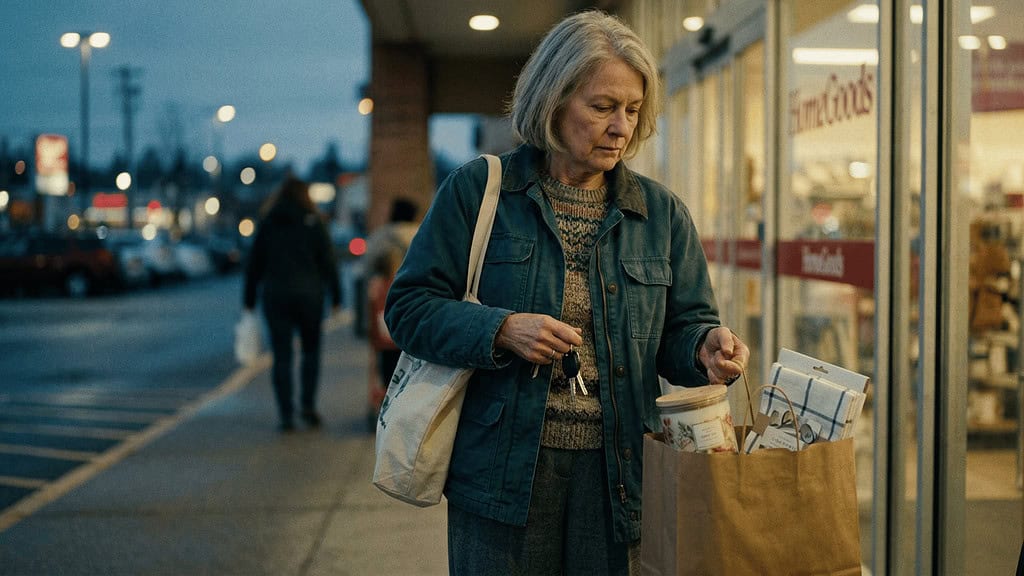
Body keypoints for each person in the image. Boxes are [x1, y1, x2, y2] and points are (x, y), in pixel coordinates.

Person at [384, 10, 749, 575]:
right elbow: (408, 309)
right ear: (553, 101)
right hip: (504, 479)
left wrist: (704, 347)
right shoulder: (480, 191)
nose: (620, 127)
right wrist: (500, 329)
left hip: (620, 477)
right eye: (602, 106)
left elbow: (683, 327)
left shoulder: (660, 214)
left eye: (632, 110)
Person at [243, 174, 341, 432]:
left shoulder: (269, 222)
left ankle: (286, 413)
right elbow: (328, 261)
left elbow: (254, 264)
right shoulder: (314, 222)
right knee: (310, 351)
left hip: (276, 296)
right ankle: (307, 405)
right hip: (310, 295)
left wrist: (249, 299)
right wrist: (337, 296)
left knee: (282, 355)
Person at [364, 198, 419, 388]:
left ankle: (388, 397)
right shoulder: (419, 234)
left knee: (387, 356)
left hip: (384, 305)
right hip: (415, 304)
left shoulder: (379, 237)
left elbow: (366, 270)